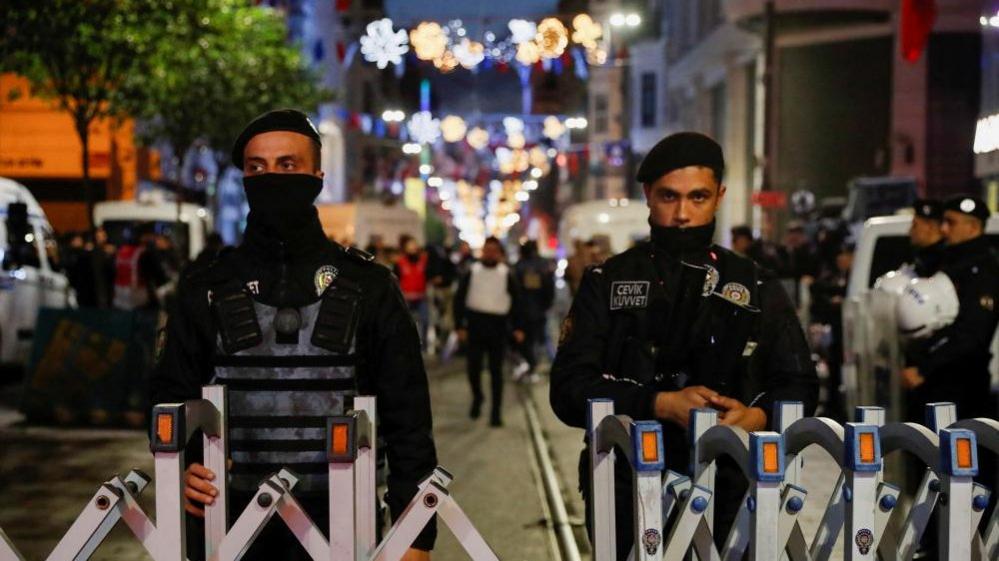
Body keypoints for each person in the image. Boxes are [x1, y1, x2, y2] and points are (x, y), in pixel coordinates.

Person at [150, 109, 436, 561]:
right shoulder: (205, 285)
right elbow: (171, 395)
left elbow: (409, 422)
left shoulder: (369, 286)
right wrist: (182, 466)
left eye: (287, 165)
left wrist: (416, 533)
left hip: (345, 525)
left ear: (317, 175)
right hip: (226, 523)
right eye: (256, 167)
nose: (270, 177)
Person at [549, 131, 818, 559]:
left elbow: (800, 385)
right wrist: (659, 403)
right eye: (669, 197)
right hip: (627, 486)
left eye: (698, 198)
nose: (682, 214)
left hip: (734, 483)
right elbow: (567, 390)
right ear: (648, 197)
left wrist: (755, 415)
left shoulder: (755, 283)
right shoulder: (608, 281)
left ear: (718, 197)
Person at [901, 195, 998, 419]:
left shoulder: (984, 270)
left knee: (955, 451)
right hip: (935, 382)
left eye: (951, 222)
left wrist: (924, 368)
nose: (943, 229)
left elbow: (972, 332)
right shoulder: (948, 261)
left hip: (961, 383)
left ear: (973, 227)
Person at [453, 237, 525, 427]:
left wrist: (518, 327)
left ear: (499, 253)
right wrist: (459, 326)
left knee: (496, 372)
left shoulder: (506, 273)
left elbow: (517, 301)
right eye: (487, 250)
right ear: (483, 251)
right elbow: (459, 299)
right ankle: (477, 397)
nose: (490, 253)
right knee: (473, 369)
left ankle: (496, 412)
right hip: (475, 325)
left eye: (494, 250)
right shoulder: (471, 271)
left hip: (498, 326)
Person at [512, 240, 555, 381]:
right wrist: (547, 304)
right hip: (539, 308)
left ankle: (533, 365)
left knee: (529, 339)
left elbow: (515, 290)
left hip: (524, 309)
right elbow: (549, 288)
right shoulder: (543, 265)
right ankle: (549, 363)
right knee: (543, 337)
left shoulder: (519, 266)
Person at [395, 235, 430, 350]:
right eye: (410, 246)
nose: (412, 248)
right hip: (406, 298)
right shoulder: (400, 262)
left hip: (421, 297)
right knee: (406, 323)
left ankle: (423, 345)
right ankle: (407, 344)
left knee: (424, 321)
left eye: (414, 245)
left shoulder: (424, 260)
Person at [909, 199, 946, 277]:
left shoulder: (945, 261)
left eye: (915, 225)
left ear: (930, 227)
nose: (910, 231)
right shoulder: (923, 256)